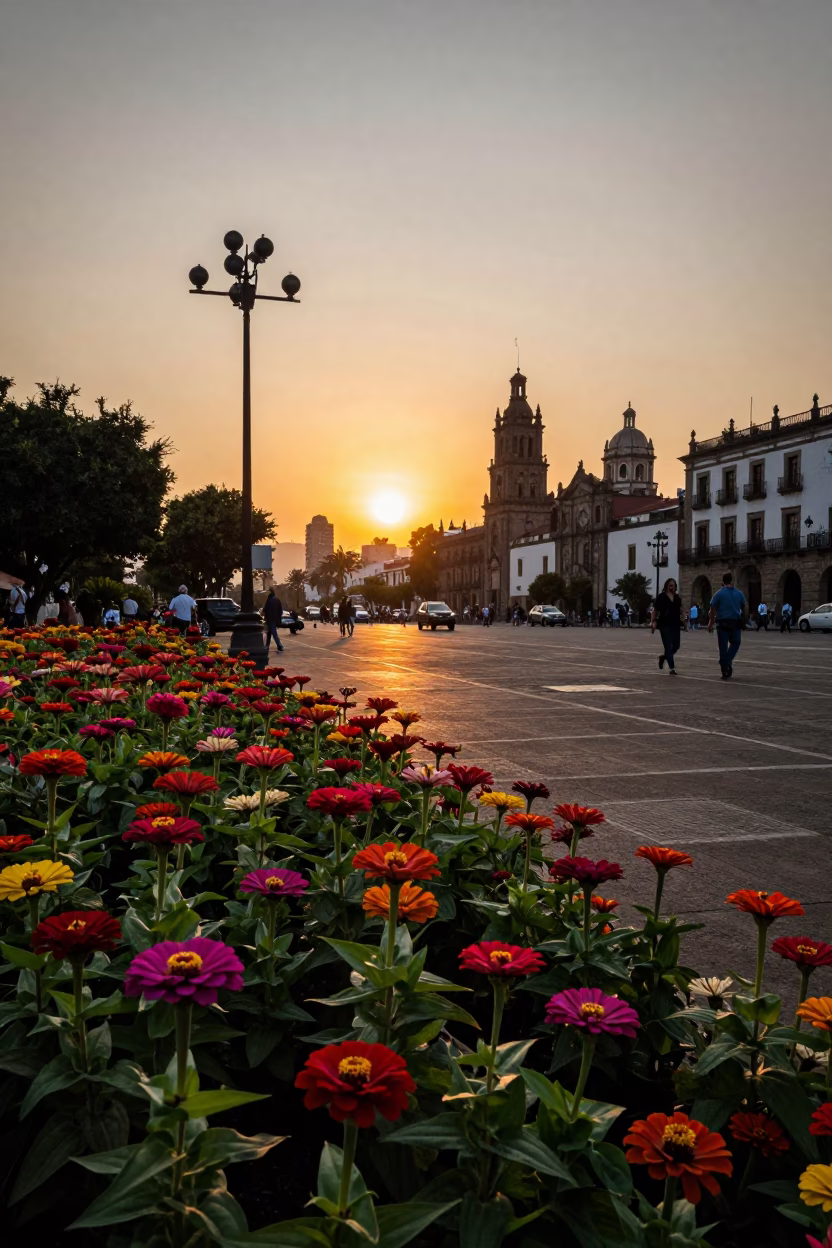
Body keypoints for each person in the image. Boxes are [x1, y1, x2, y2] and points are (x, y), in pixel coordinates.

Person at [708, 571, 748, 680]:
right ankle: (727, 661)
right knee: (736, 642)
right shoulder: (739, 593)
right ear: (732, 580)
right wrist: (744, 618)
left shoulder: (719, 594)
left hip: (723, 622)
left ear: (723, 581)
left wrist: (710, 623)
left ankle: (724, 665)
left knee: (723, 646)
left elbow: (712, 608)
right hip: (735, 622)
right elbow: (745, 606)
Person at [651, 577, 684, 675]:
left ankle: (663, 657)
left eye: (673, 585)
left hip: (675, 624)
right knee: (668, 646)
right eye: (670, 585)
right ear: (666, 586)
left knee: (676, 645)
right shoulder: (661, 597)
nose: (672, 587)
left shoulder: (677, 598)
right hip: (664, 624)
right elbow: (655, 610)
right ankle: (672, 668)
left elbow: (681, 610)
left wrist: (685, 619)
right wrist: (652, 622)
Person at [263, 588, 284, 653]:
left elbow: (265, 609)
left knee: (273, 633)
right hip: (274, 619)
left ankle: (279, 645)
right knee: (269, 633)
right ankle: (267, 646)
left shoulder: (269, 600)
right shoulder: (277, 600)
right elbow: (280, 610)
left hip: (270, 619)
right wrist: (279, 618)